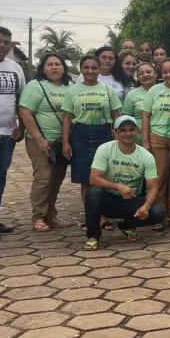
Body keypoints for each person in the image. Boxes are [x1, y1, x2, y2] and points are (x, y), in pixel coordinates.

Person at [83, 116, 164, 250]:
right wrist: (117, 186)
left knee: (157, 212)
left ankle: (127, 226)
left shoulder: (146, 156)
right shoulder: (105, 149)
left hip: (130, 200)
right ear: (115, 132)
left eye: (131, 130)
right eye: (123, 130)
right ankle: (93, 235)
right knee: (93, 192)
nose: (128, 133)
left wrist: (147, 206)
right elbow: (94, 179)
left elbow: (153, 186)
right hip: (107, 199)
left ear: (137, 131)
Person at [62, 55, 122, 231]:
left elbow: (116, 115)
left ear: (99, 69)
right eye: (86, 67)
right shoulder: (73, 90)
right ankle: (92, 218)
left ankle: (104, 216)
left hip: (103, 134)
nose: (90, 71)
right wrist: (66, 142)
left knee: (102, 176)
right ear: (81, 69)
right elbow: (67, 117)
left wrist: (118, 138)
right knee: (85, 179)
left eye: (94, 68)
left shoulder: (107, 90)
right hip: (79, 135)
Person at [20, 55, 71, 233]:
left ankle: (51, 215)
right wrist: (39, 139)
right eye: (50, 64)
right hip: (40, 141)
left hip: (61, 142)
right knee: (44, 178)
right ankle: (38, 217)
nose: (54, 67)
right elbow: (25, 112)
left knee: (56, 179)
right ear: (43, 69)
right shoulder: (35, 86)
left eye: (58, 64)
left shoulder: (69, 87)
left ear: (64, 68)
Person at [142, 58, 170, 229]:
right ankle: (157, 215)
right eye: (165, 72)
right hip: (157, 138)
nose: (168, 75)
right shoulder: (154, 90)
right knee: (158, 178)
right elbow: (146, 115)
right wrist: (146, 140)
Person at [0, 26, 23, 241]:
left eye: (6, 42)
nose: (2, 45)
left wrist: (21, 126)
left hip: (7, 133)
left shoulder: (15, 67)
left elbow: (22, 99)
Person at [122, 63, 157, 145]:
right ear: (137, 77)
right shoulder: (132, 94)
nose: (145, 75)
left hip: (160, 140)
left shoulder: (164, 91)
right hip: (137, 141)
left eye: (148, 72)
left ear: (155, 73)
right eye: (141, 73)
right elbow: (126, 119)